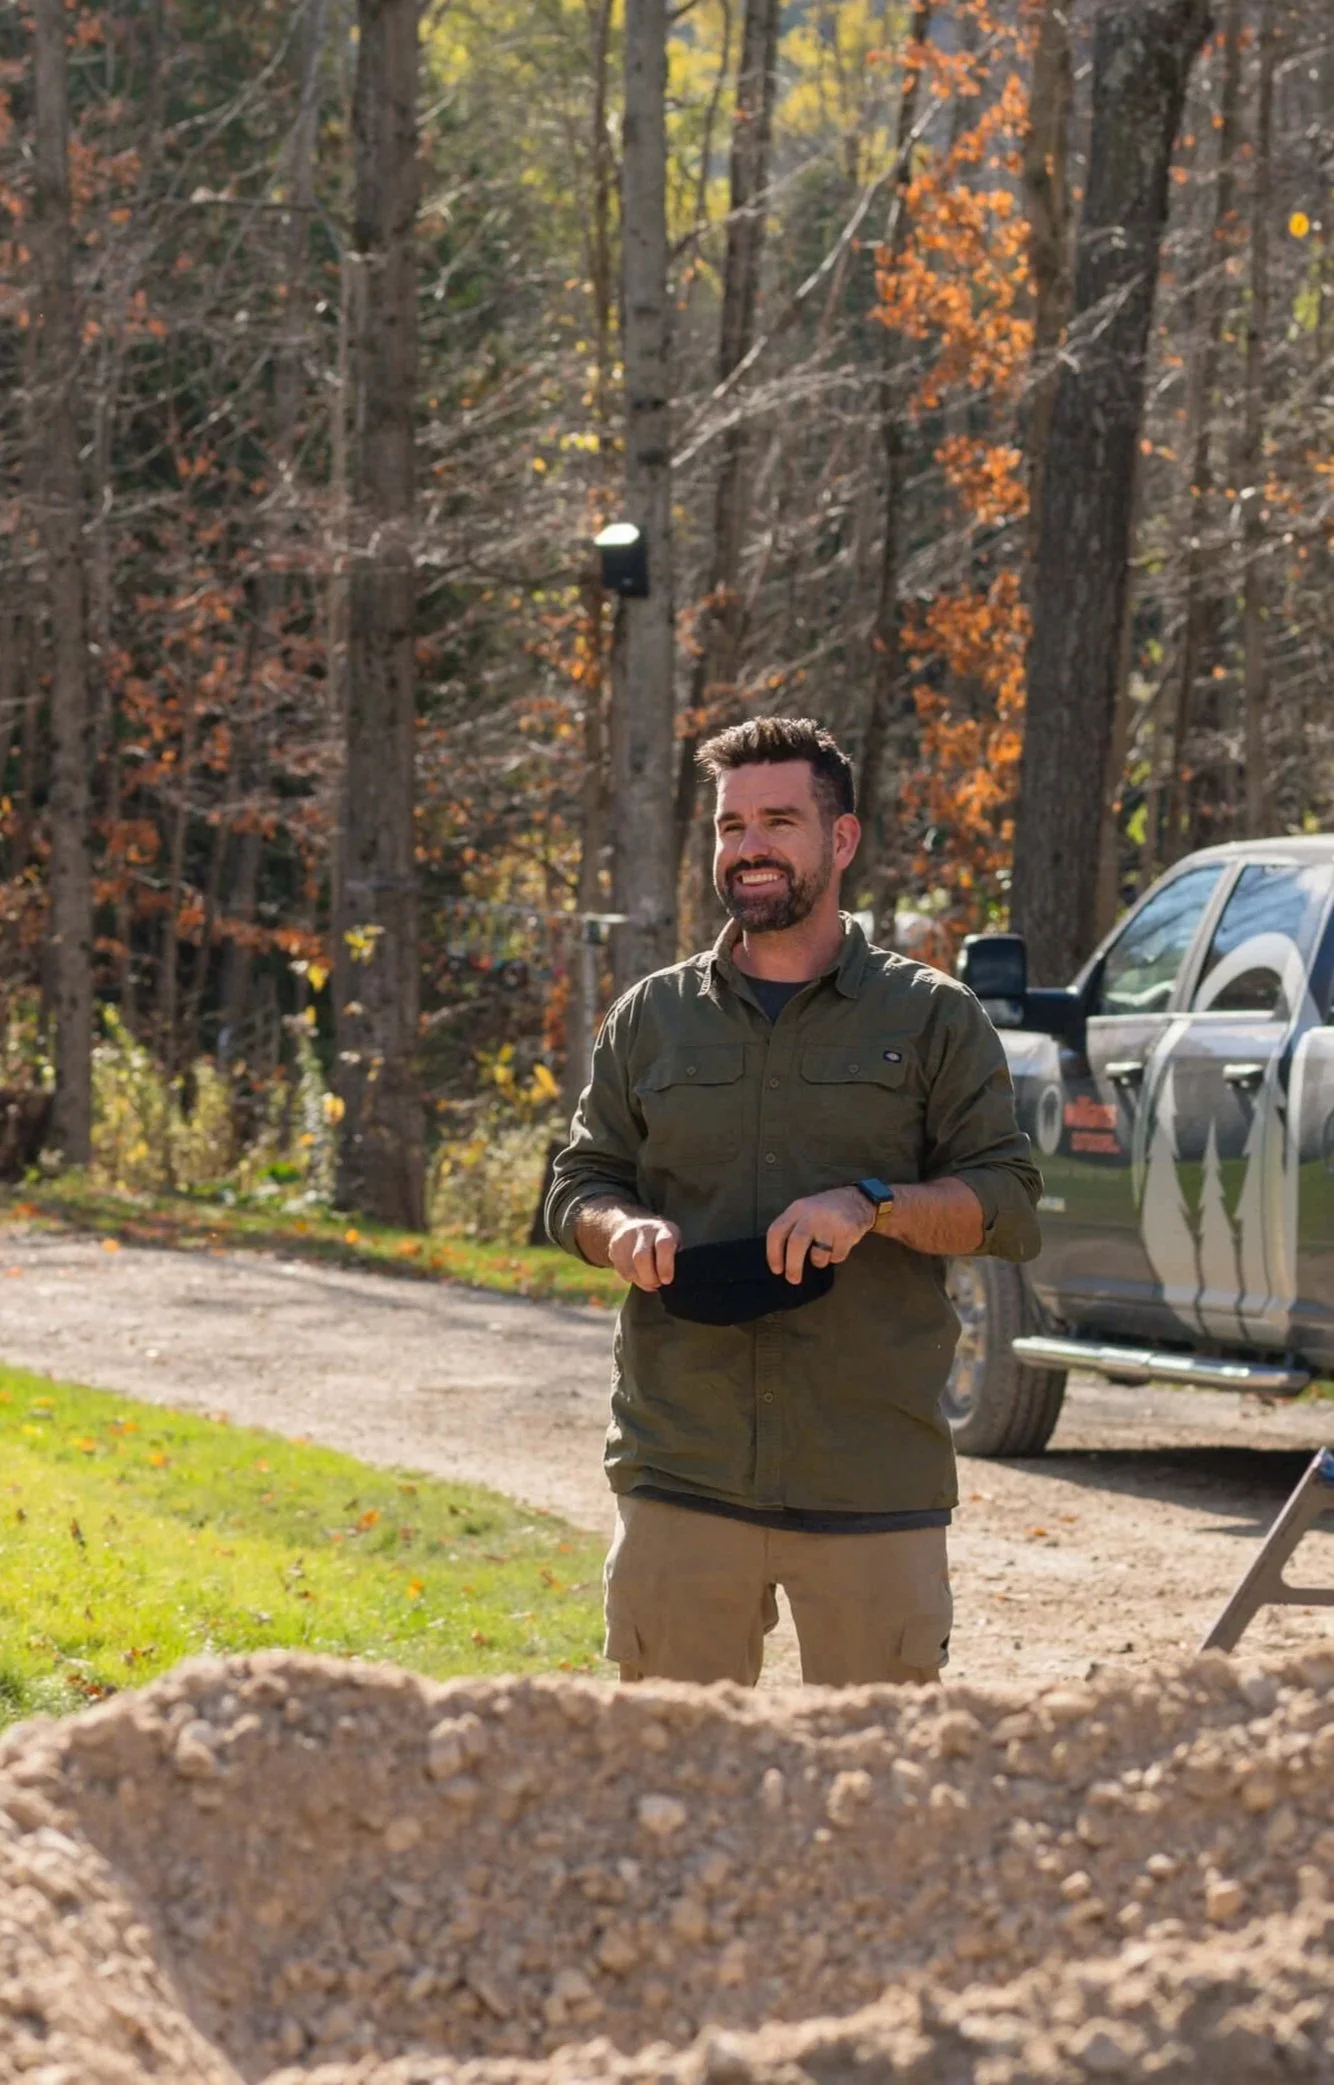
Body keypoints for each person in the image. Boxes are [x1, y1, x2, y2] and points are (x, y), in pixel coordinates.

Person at [545, 716, 1042, 1687]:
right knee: (669, 1791)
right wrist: (619, 1229)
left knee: (876, 1801)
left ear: (840, 839)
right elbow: (578, 1183)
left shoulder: (931, 1016)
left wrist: (873, 1205)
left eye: (777, 820)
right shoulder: (652, 1017)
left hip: (869, 1475)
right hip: (681, 1465)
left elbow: (1008, 1202)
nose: (749, 848)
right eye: (731, 828)